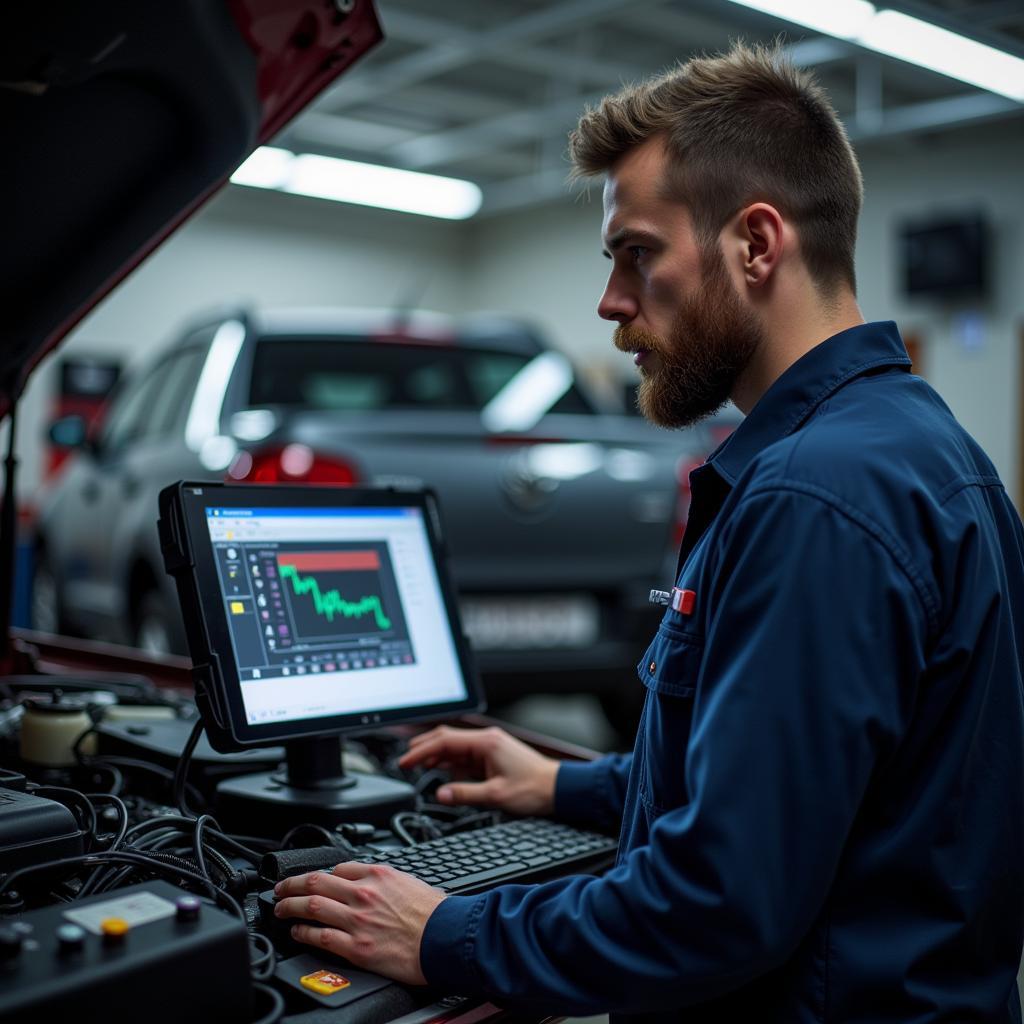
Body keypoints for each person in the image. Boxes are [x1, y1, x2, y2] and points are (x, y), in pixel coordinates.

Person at [272, 43, 1024, 1021]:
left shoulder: (812, 497)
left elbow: (714, 906)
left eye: (636, 253)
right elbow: (802, 777)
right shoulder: (925, 450)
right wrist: (567, 782)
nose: (610, 304)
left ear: (755, 244)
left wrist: (443, 933)